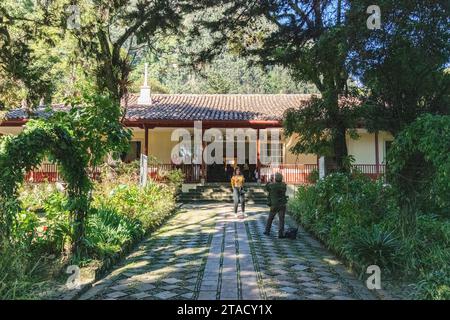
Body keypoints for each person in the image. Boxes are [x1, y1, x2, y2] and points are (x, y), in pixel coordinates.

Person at [264, 172, 287, 238]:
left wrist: (270, 180)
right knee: (281, 219)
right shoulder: (284, 185)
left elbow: (267, 187)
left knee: (270, 218)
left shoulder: (272, 185)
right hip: (282, 204)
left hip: (274, 205)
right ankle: (280, 234)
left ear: (275, 179)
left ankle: (267, 231)